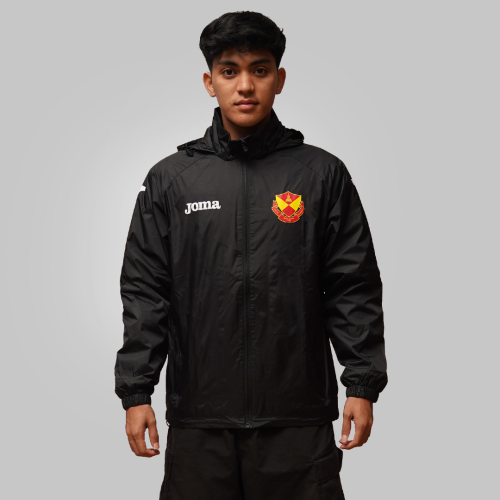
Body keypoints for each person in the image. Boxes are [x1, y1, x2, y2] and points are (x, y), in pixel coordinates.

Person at [114, 11, 387, 500]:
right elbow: (145, 291)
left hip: (297, 420)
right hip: (200, 420)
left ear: (278, 79)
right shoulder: (171, 181)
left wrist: (361, 384)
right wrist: (137, 392)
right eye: (229, 71)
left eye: (259, 70)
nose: (245, 85)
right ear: (209, 82)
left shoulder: (321, 175)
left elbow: (353, 285)